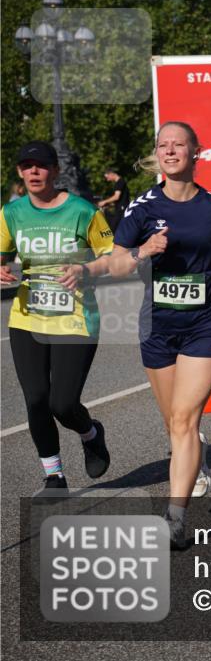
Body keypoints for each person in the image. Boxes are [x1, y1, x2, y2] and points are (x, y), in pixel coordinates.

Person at [108, 122, 211, 548]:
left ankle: (175, 518)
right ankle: (194, 455)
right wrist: (143, 252)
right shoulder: (142, 208)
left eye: (178, 145)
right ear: (158, 154)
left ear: (195, 152)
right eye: (163, 145)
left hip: (205, 321)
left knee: (185, 419)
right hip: (158, 324)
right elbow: (115, 266)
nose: (170, 151)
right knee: (174, 423)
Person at [1, 141, 113, 492]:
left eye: (42, 165)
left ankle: (90, 433)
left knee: (61, 403)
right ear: (20, 173)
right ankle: (54, 477)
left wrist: (86, 270)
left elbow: (115, 258)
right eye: (27, 166)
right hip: (27, 318)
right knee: (35, 398)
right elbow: (1, 256)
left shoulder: (82, 211)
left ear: (55, 171)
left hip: (75, 318)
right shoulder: (11, 213)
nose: (34, 172)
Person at [97, 168, 130, 234]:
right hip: (120, 208)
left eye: (107, 177)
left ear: (111, 174)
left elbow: (116, 197)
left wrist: (104, 202)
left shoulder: (120, 182)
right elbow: (120, 198)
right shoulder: (119, 182)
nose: (107, 179)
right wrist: (109, 205)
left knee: (113, 228)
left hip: (122, 209)